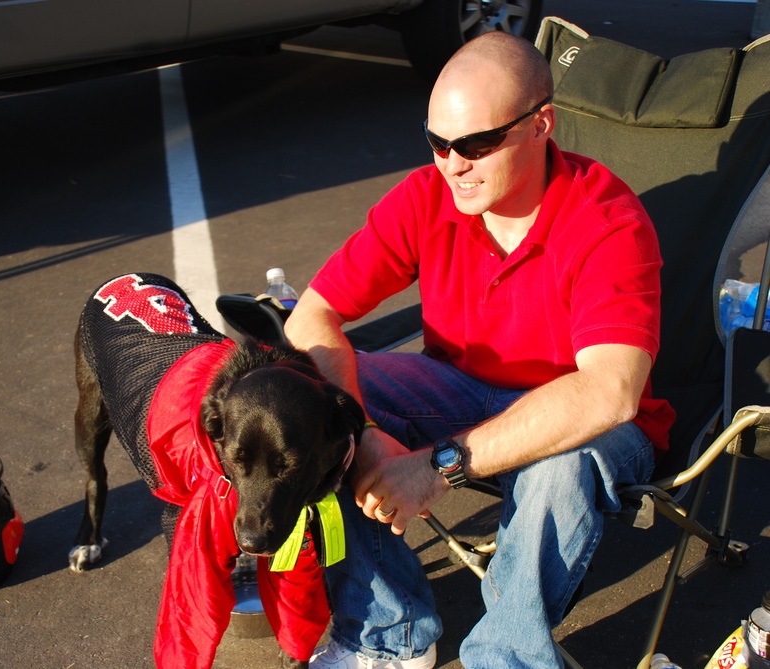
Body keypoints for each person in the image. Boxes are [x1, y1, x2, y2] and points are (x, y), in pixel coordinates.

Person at [282, 31, 676, 669]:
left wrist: (434, 467)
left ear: (542, 124)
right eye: (437, 142)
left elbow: (610, 391)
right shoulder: (429, 195)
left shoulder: (608, 223)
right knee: (309, 398)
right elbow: (311, 318)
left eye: (475, 144)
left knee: (559, 468)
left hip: (591, 419)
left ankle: (505, 658)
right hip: (461, 390)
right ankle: (391, 635)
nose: (451, 164)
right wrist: (367, 430)